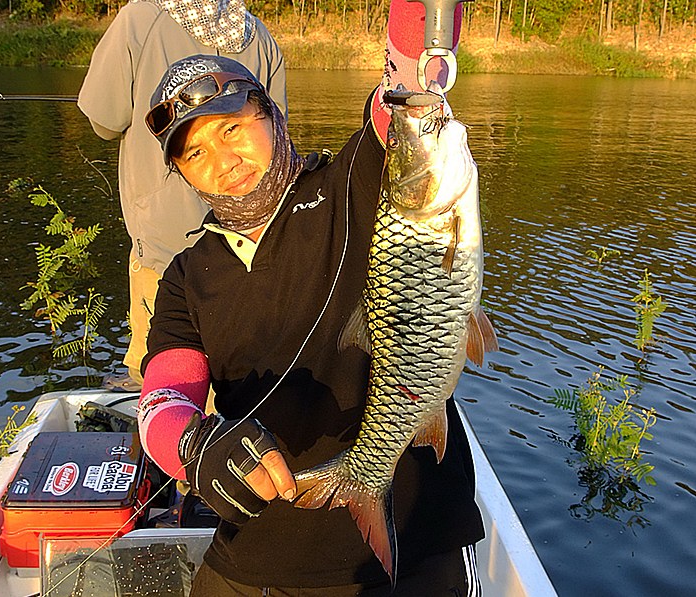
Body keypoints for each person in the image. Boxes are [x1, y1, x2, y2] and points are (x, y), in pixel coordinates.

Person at [137, 2, 482, 594]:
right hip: (257, 546)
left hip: (410, 540)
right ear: (184, 174)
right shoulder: (186, 276)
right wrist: (196, 448)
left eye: (231, 128)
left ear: (271, 117)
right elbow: (162, 402)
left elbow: (405, 83)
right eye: (195, 153)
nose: (224, 162)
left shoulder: (351, 181)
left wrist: (421, 34)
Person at [77, 0, 287, 391]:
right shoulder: (258, 35)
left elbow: (103, 121)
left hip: (163, 243)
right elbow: (277, 136)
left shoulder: (137, 19)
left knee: (162, 374)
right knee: (244, 375)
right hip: (248, 242)